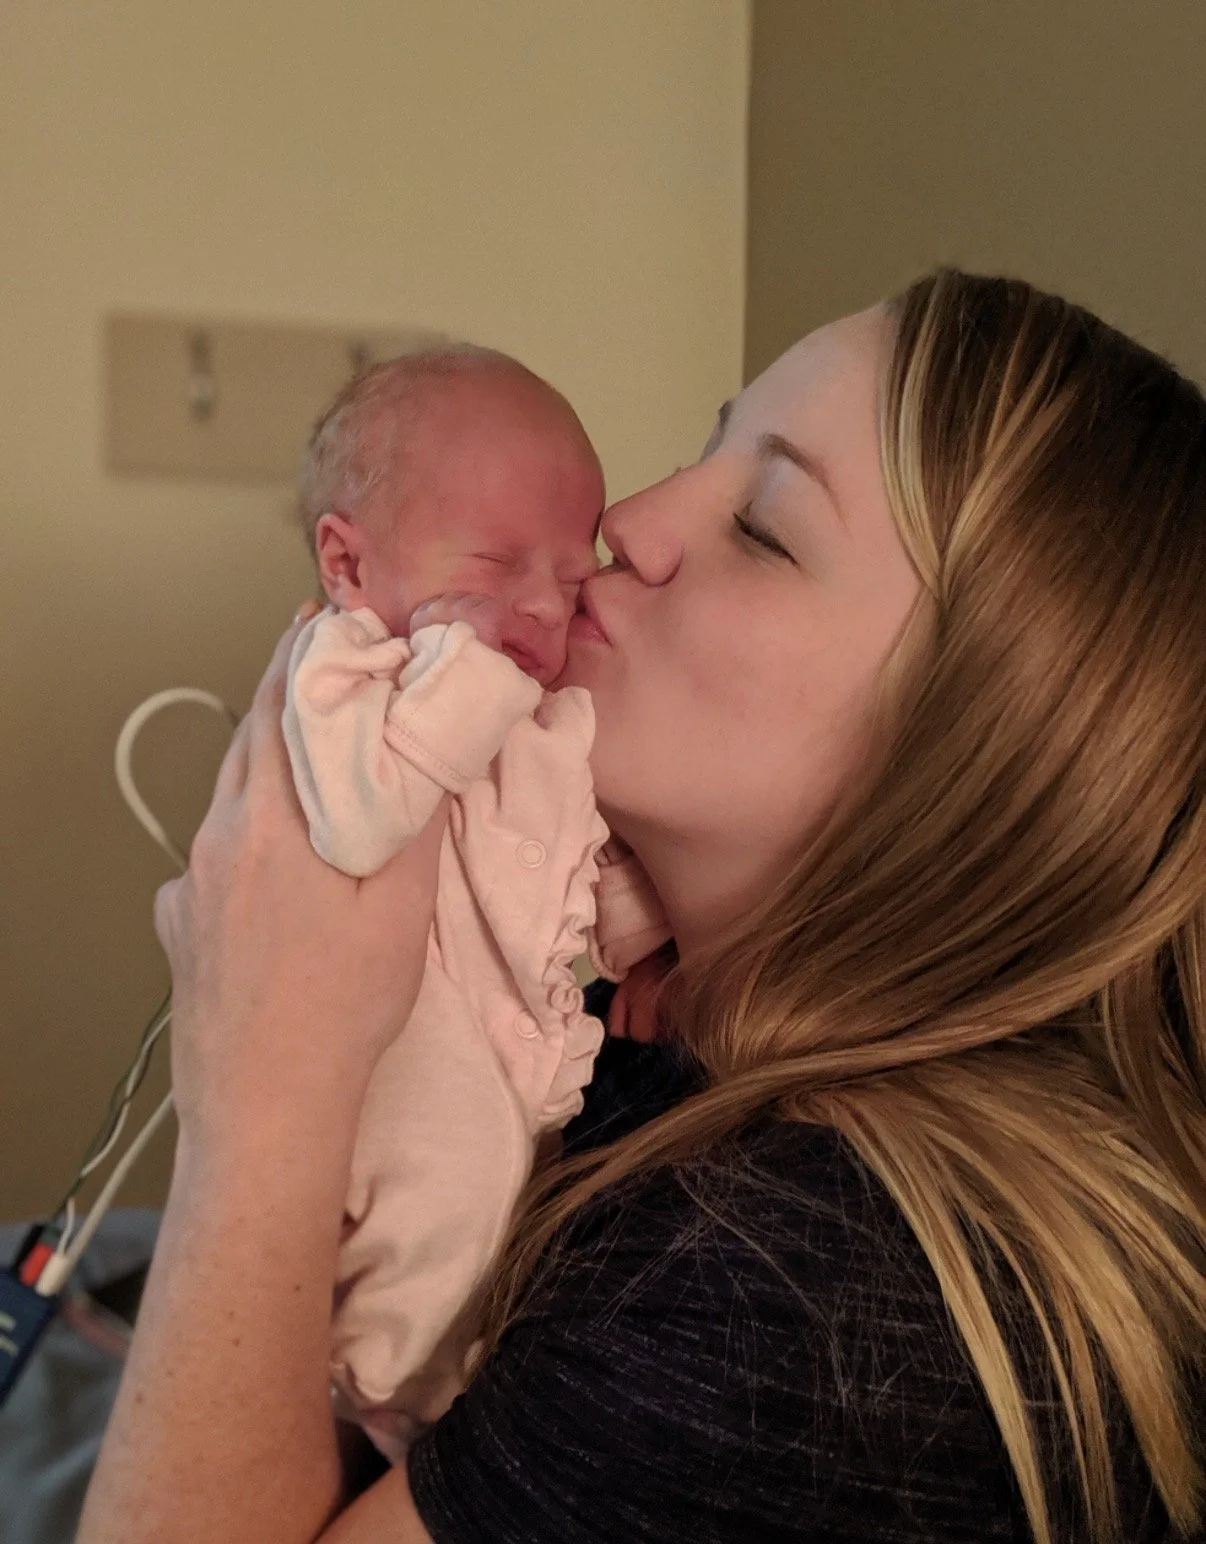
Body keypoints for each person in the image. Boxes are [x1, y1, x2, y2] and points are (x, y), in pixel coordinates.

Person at [78, 270, 1206, 1544]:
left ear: (981, 764)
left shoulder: (816, 1301)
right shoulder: (634, 1005)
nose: (632, 517)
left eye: (767, 527)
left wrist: (267, 1091)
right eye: (707, 447)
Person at [282, 347, 667, 1450]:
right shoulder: (342, 674)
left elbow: (560, 883)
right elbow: (363, 816)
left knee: (496, 1251)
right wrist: (482, 679)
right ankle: (373, 1407)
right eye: (499, 561)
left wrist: (646, 931)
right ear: (349, 563)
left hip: (511, 1094)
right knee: (402, 1269)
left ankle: (433, 1429)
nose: (549, 602)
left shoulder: (536, 726)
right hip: (394, 1080)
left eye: (575, 562)